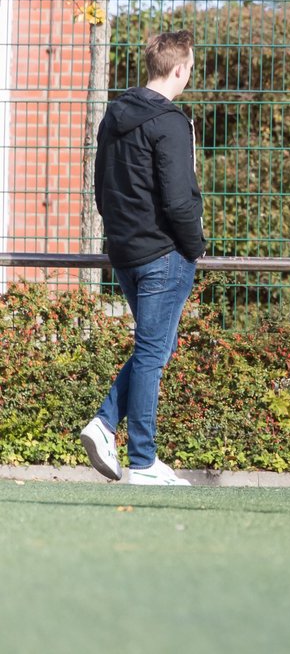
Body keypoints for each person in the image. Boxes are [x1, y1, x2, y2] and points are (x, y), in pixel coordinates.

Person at [79, 30, 206, 487]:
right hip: (163, 253)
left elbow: (100, 188)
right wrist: (194, 245)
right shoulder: (171, 122)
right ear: (180, 69)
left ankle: (105, 424)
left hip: (125, 251)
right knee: (153, 351)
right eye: (190, 65)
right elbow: (177, 199)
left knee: (156, 347)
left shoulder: (114, 115)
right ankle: (144, 459)